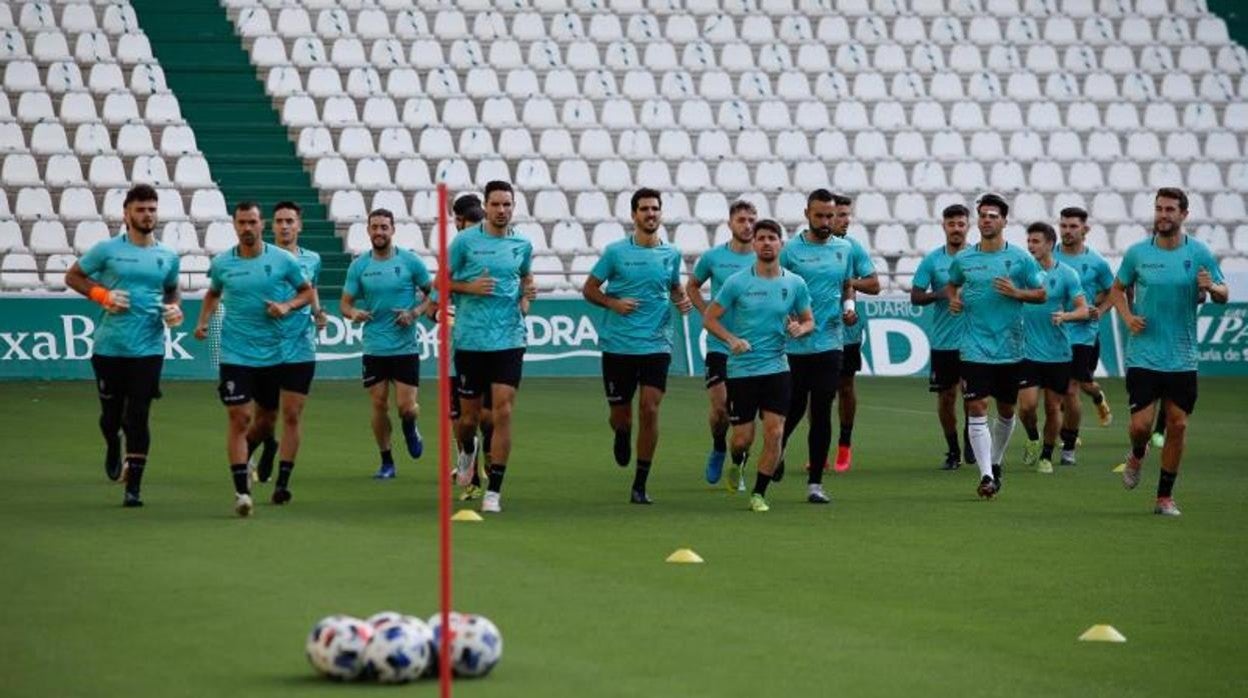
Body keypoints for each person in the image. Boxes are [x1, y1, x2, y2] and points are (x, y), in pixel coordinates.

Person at [1111, 187, 1228, 516]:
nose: (1163, 214)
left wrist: (1211, 287)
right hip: (1144, 354)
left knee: (1177, 425)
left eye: (1170, 209)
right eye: (1159, 208)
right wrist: (1128, 316)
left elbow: (1222, 293)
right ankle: (1137, 454)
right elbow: (1118, 289)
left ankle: (1164, 497)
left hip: (1182, 356)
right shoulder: (1137, 253)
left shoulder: (1200, 253)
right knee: (1140, 427)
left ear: (1183, 215)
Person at [193, 202, 314, 516]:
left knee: (268, 421)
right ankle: (242, 492)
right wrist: (203, 321)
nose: (247, 228)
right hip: (235, 353)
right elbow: (213, 292)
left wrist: (287, 307)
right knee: (239, 417)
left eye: (252, 222)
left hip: (275, 355)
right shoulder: (223, 263)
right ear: (235, 225)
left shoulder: (283, 260)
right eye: (241, 222)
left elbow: (306, 292)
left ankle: (270, 469)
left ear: (262, 226)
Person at [64, 184, 180, 508]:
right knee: (112, 417)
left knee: (138, 416)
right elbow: (73, 277)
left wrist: (174, 309)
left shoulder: (168, 256)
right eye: (141, 209)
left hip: (149, 348)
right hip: (110, 346)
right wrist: (103, 295)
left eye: (152, 209)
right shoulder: (106, 250)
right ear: (126, 213)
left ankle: (134, 488)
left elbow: (171, 291)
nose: (147, 215)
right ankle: (112, 444)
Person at [583, 188, 693, 504]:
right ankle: (621, 432)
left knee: (649, 407)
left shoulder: (671, 253)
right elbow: (589, 289)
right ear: (634, 215)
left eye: (655, 209)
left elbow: (674, 287)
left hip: (657, 343)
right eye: (644, 209)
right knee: (622, 416)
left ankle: (640, 483)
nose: (650, 214)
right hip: (619, 345)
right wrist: (613, 303)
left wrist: (681, 299)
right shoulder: (616, 252)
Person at [701, 219, 814, 513]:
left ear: (781, 244)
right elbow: (710, 318)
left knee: (775, 432)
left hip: (777, 368)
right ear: (754, 245)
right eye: (761, 238)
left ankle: (758, 494)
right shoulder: (737, 282)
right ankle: (737, 463)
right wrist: (731, 339)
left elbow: (808, 319)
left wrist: (801, 330)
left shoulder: (794, 283)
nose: (766, 243)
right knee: (741, 439)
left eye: (771, 238)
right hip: (742, 370)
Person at [946, 194, 1046, 499]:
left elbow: (1041, 293)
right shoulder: (964, 259)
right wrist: (955, 298)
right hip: (974, 346)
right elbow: (953, 283)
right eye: (983, 215)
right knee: (976, 406)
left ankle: (997, 462)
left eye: (993, 215)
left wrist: (1017, 292)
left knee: (1005, 409)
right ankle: (986, 475)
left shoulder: (1020, 259)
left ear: (1004, 220)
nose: (987, 220)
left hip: (1011, 347)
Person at [449, 181, 535, 514]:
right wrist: (468, 287)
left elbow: (526, 279)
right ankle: (468, 451)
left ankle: (494, 491)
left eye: (507, 204)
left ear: (513, 207)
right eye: (496, 204)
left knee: (503, 411)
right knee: (469, 420)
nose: (502, 210)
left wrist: (527, 296)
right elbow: (443, 280)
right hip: (471, 340)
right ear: (485, 206)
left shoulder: (522, 244)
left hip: (510, 339)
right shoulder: (465, 242)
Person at [776, 190, 859, 504]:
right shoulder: (791, 251)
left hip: (829, 342)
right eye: (820, 216)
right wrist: (787, 321)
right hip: (796, 344)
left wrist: (849, 306)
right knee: (793, 407)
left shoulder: (844, 249)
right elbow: (776, 287)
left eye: (831, 216)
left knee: (822, 409)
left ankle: (815, 484)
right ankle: (777, 448)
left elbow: (846, 283)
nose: (826, 222)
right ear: (807, 214)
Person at [340, 208, 434, 479]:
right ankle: (387, 462)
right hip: (374, 347)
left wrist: (414, 313)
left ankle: (410, 427)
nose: (379, 232)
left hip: (404, 348)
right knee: (379, 405)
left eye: (384, 227)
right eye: (375, 227)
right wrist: (354, 313)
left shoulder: (410, 262)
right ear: (368, 231)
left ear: (393, 230)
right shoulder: (359, 266)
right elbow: (346, 304)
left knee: (407, 408)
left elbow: (433, 295)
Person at [243, 201, 327, 486]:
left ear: (299, 225)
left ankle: (283, 482)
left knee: (292, 414)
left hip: (300, 347)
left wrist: (317, 312)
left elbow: (311, 289)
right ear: (271, 225)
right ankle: (265, 446)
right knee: (263, 419)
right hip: (263, 347)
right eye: (279, 221)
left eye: (290, 221)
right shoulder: (258, 257)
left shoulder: (312, 259)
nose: (285, 226)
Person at [686, 200, 757, 489]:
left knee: (746, 415)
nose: (748, 225)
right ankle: (718, 446)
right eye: (742, 219)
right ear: (730, 223)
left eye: (752, 220)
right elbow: (692, 286)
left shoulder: (765, 258)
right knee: (719, 410)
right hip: (719, 345)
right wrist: (707, 313)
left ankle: (738, 466)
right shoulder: (713, 257)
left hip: (753, 347)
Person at [1017, 223, 1088, 475]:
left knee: (1053, 407)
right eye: (1029, 241)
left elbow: (1084, 309)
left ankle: (1046, 455)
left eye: (1036, 241)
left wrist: (1066, 316)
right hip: (1027, 352)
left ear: (1049, 244)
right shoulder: (1022, 271)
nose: (1031, 246)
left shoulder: (1067, 274)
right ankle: (1033, 437)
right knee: (1026, 406)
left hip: (1058, 353)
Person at [910, 204, 972, 470]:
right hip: (944, 341)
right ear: (944, 226)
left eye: (961, 224)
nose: (956, 229)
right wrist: (941, 294)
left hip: (974, 341)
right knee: (946, 398)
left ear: (968, 226)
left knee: (974, 396)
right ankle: (953, 449)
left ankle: (973, 439)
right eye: (951, 224)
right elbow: (916, 296)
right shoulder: (932, 261)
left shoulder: (978, 258)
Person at [1052, 207, 1115, 465]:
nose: (1067, 231)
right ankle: (1098, 397)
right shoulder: (1049, 255)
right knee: (1063, 391)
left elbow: (1113, 292)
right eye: (1063, 226)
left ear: (1084, 229)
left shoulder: (1097, 262)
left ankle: (1069, 444)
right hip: (1053, 332)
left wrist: (1099, 310)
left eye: (1073, 226)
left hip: (1083, 333)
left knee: (1071, 387)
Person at [828, 193, 881, 472]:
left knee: (845, 387)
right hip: (817, 331)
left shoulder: (852, 247)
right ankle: (820, 448)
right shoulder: (806, 247)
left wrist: (850, 283)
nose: (846, 220)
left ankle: (844, 445)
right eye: (840, 215)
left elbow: (874, 285)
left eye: (848, 215)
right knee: (817, 393)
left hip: (848, 331)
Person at [445, 193, 491, 501]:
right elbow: (438, 295)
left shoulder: (486, 254)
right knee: (466, 417)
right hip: (462, 346)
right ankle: (471, 467)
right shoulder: (455, 255)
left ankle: (476, 466)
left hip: (487, 346)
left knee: (482, 417)